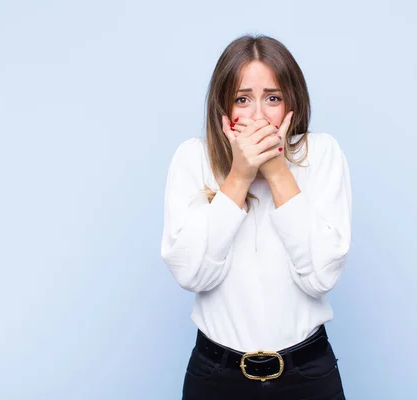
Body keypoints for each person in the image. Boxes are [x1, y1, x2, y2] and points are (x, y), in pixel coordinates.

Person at [160, 34, 352, 399]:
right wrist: (239, 176)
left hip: (307, 374)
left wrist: (278, 172)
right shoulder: (193, 159)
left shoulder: (322, 154)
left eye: (273, 98)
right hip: (216, 375)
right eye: (242, 99)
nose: (259, 115)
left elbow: (321, 276)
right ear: (223, 106)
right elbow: (192, 274)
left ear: (292, 102)